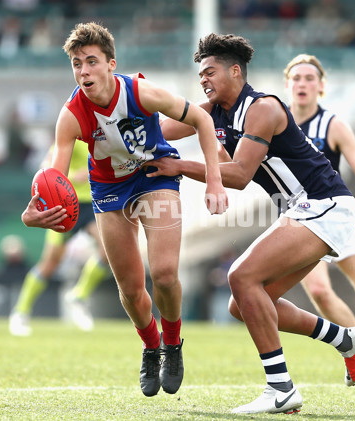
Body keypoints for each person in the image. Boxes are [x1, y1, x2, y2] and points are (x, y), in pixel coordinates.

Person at [154, 33, 355, 414]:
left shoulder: (264, 107)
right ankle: (345, 340)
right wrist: (123, 120)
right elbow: (161, 128)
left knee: (240, 278)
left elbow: (239, 175)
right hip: (302, 209)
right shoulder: (214, 111)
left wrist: (177, 165)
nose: (203, 79)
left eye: (210, 72)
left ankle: (281, 388)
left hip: (323, 204)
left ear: (235, 71)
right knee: (245, 304)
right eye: (200, 74)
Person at [20, 22, 228, 398]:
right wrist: (30, 211)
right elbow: (54, 172)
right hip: (109, 189)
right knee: (131, 290)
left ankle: (173, 344)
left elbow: (200, 119)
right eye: (76, 64)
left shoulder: (140, 92)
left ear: (111, 64)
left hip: (154, 176)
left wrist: (214, 180)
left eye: (91, 61)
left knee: (164, 274)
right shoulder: (71, 115)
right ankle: (150, 347)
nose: (83, 71)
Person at [283, 53, 355, 383]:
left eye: (309, 78)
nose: (302, 84)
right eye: (296, 78)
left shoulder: (332, 124)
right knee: (318, 291)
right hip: (297, 219)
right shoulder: (275, 120)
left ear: (321, 87)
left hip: (339, 216)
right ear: (287, 85)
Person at [9, 141, 111, 336]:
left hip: (95, 202)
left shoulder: (108, 131)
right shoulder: (73, 132)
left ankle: (79, 296)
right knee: (50, 263)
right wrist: (72, 178)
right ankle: (20, 312)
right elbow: (44, 169)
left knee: (109, 253)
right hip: (66, 204)